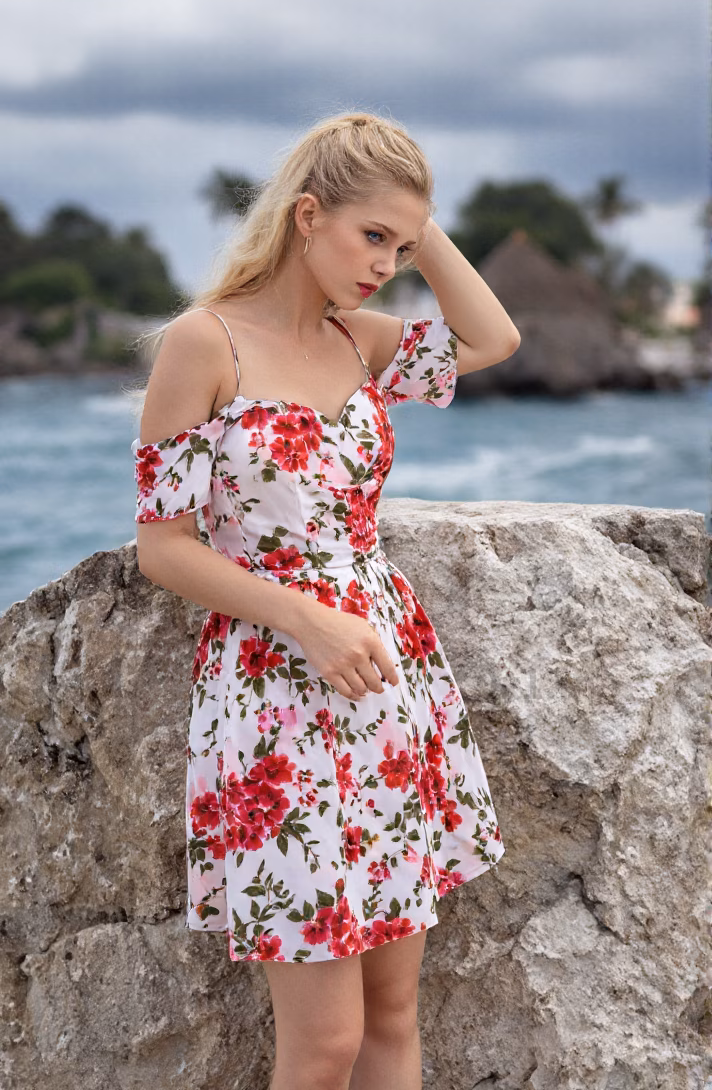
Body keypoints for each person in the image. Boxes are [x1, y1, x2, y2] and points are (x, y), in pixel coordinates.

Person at [132, 111, 519, 1090]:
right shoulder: (203, 342)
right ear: (307, 216)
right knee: (323, 1042)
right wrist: (304, 617)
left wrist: (418, 224)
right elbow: (163, 548)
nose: (387, 263)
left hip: (388, 682)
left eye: (402, 247)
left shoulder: (362, 340)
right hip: (275, 698)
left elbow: (494, 336)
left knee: (393, 1015)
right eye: (371, 236)